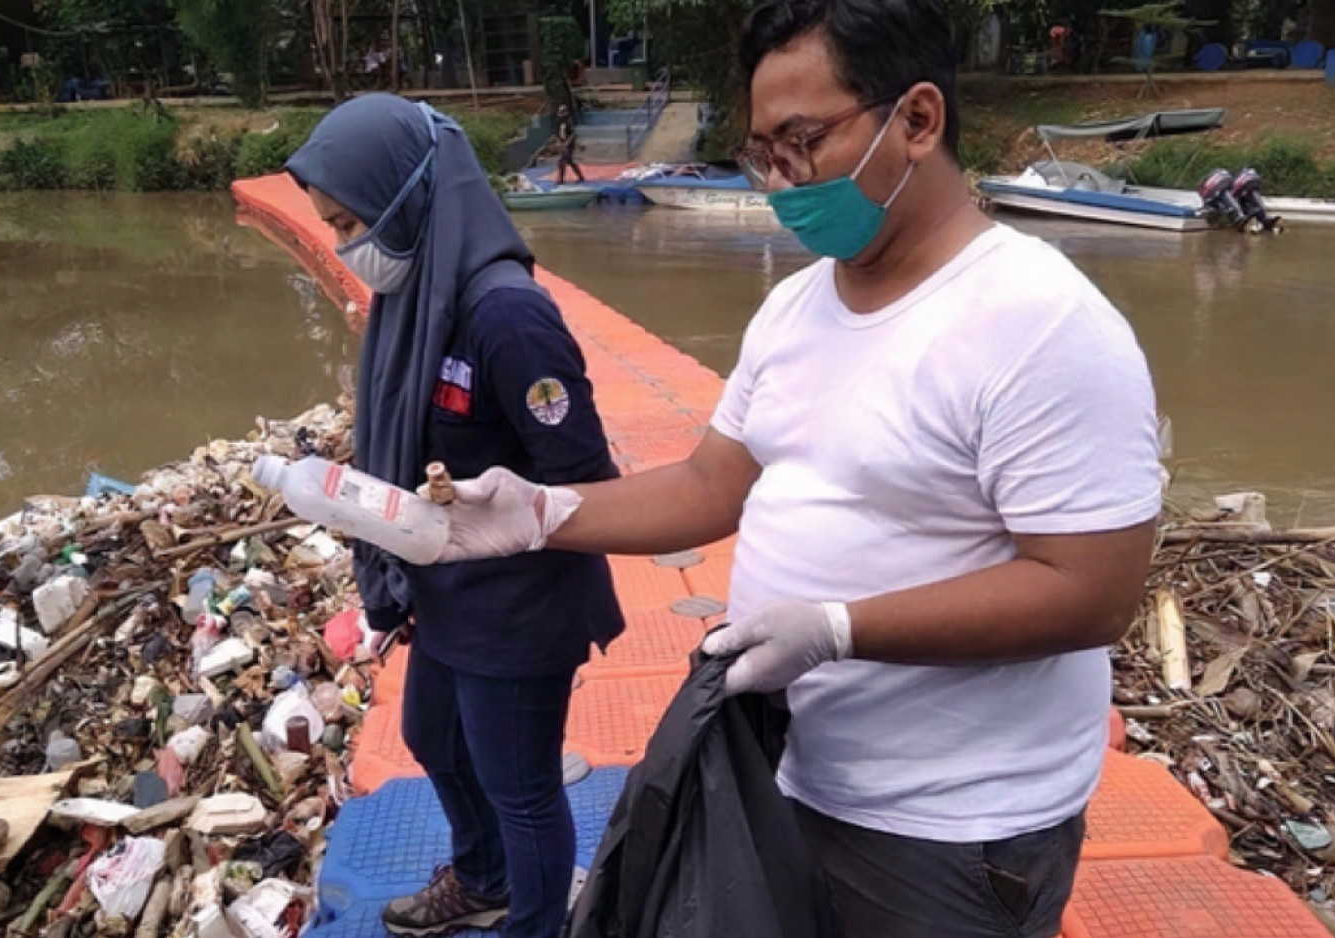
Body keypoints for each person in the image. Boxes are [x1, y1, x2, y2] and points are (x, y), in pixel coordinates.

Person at [415, 0, 1163, 935]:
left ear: (918, 121)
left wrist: (840, 630)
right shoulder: (797, 306)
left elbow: (1092, 591)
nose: (781, 179)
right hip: (784, 770)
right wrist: (539, 515)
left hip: (953, 829)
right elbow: (710, 486)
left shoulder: (1041, 324)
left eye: (803, 141)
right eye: (763, 151)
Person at [285, 95, 625, 938]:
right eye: (329, 224)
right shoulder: (419, 301)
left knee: (522, 787)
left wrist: (513, 508)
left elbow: (588, 484)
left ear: (409, 201)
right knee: (432, 733)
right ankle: (484, 877)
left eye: (349, 220)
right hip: (445, 588)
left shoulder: (506, 317)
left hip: (519, 604)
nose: (343, 244)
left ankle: (537, 921)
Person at [555, 104, 585, 185]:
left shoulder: (569, 121)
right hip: (563, 143)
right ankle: (580, 176)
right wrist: (559, 142)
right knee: (569, 161)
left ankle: (561, 179)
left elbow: (573, 134)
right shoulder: (560, 122)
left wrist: (567, 142)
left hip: (569, 145)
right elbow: (559, 134)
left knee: (562, 160)